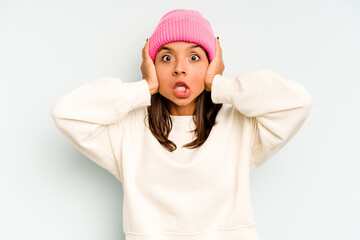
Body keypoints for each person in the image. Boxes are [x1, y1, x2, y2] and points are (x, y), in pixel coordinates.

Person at [51, 8, 313, 240]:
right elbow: (65, 112)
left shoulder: (241, 125)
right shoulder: (127, 131)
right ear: (151, 65)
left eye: (195, 57)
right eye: (166, 58)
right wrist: (146, 88)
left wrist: (219, 84)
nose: (179, 68)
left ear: (212, 64)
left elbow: (299, 101)